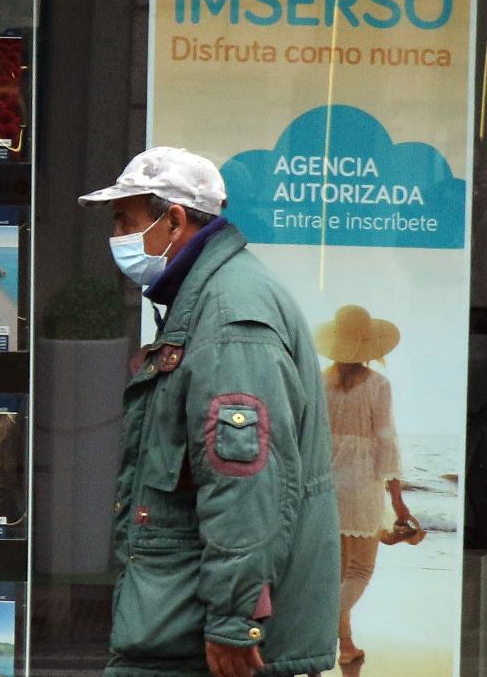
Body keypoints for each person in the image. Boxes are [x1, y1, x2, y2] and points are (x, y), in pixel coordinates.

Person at [78, 146, 339, 677]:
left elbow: (247, 485)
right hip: (186, 625)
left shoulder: (227, 318)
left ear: (174, 221)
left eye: (124, 220)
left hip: (205, 643)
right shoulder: (211, 298)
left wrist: (234, 619)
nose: (117, 236)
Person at [313, 305, 409, 665]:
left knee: (338, 573)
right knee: (361, 571)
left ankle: (346, 646)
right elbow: (386, 443)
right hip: (362, 483)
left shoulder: (319, 381)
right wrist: (397, 500)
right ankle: (317, 628)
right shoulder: (378, 385)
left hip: (325, 484)